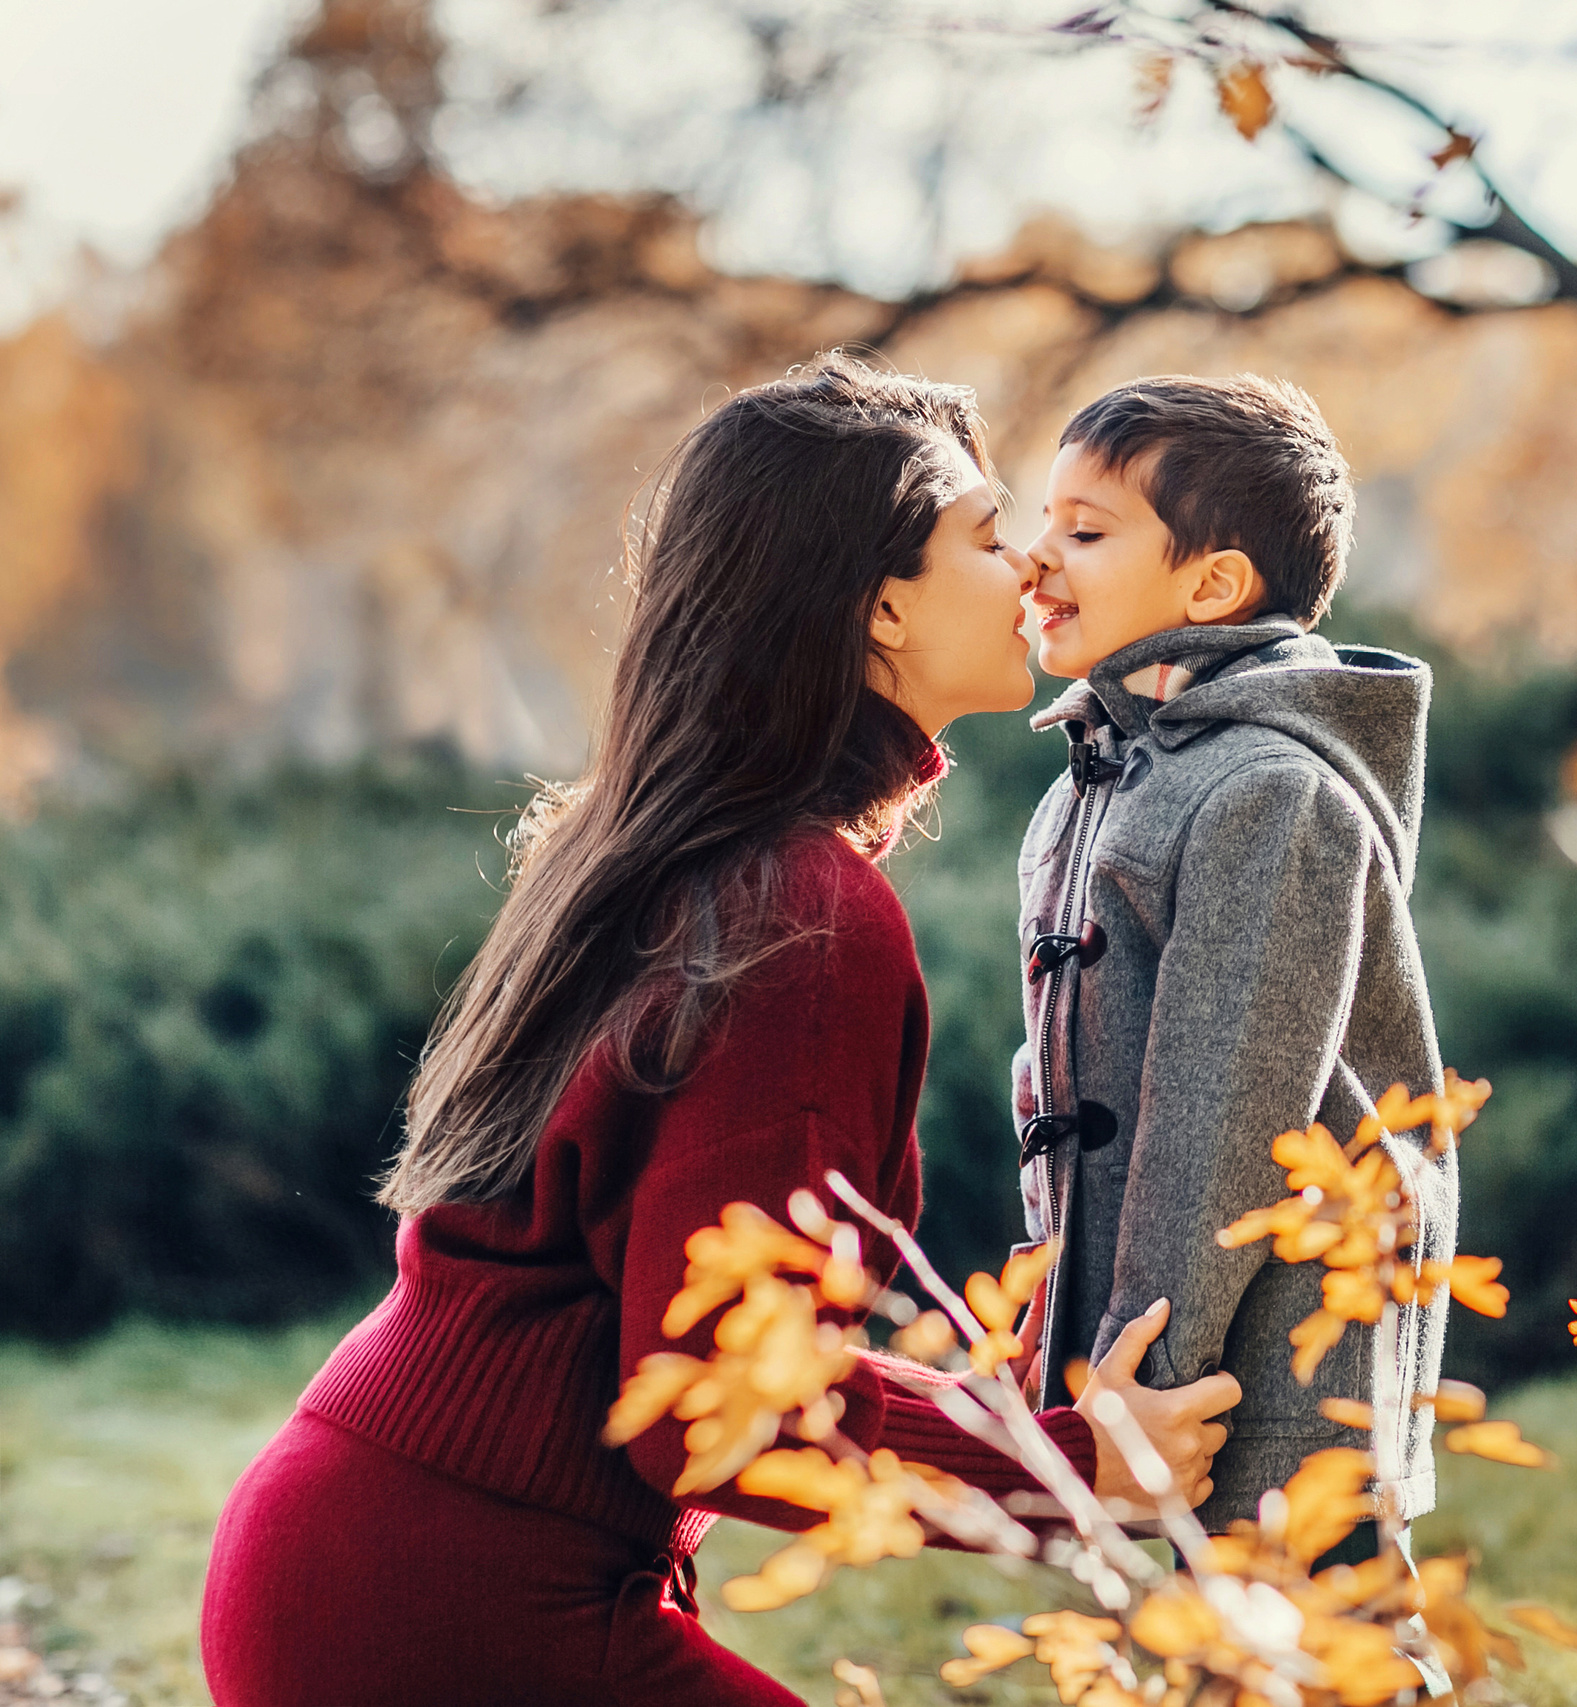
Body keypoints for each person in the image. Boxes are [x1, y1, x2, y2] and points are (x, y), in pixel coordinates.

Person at [199, 355, 1240, 1707]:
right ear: (879, 610)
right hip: (450, 1598)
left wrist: (1019, 1364)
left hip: (367, 1549)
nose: (1038, 557)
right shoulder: (802, 911)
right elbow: (719, 1397)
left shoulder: (692, 858)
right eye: (990, 536)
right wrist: (1065, 1466)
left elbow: (709, 1300)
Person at [1011, 373, 1457, 1561]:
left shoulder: (1269, 793)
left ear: (1212, 586)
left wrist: (1147, 1373)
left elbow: (1226, 1102)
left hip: (1286, 1343)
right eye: (1041, 521)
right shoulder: (1095, 782)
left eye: (1085, 532)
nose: (1034, 557)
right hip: (1152, 1345)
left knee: (1327, 1650)